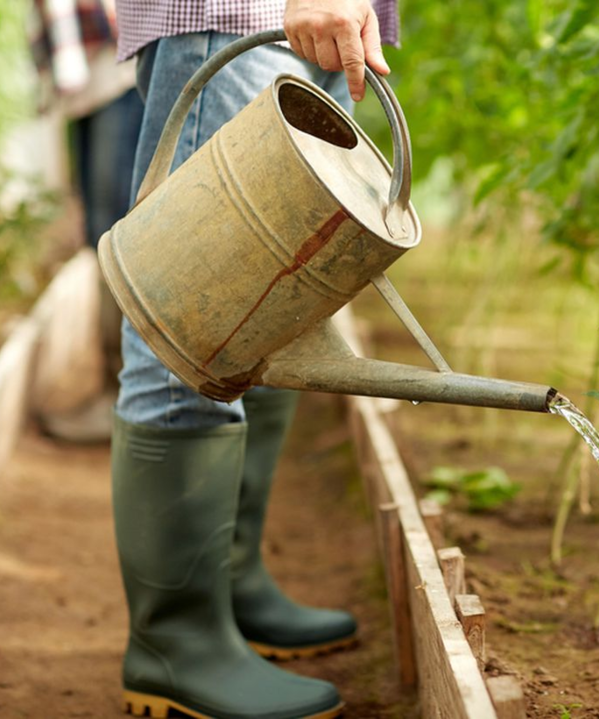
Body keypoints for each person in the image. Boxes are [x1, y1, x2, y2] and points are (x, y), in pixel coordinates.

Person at [109, 1, 397, 717]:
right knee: (194, 321)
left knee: (273, 311)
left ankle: (229, 587)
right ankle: (176, 642)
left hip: (326, 21)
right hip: (238, 13)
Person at [30, 0, 145, 443]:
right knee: (103, 232)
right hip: (93, 83)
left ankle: (126, 397)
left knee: (119, 233)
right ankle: (120, 393)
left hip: (119, 74)